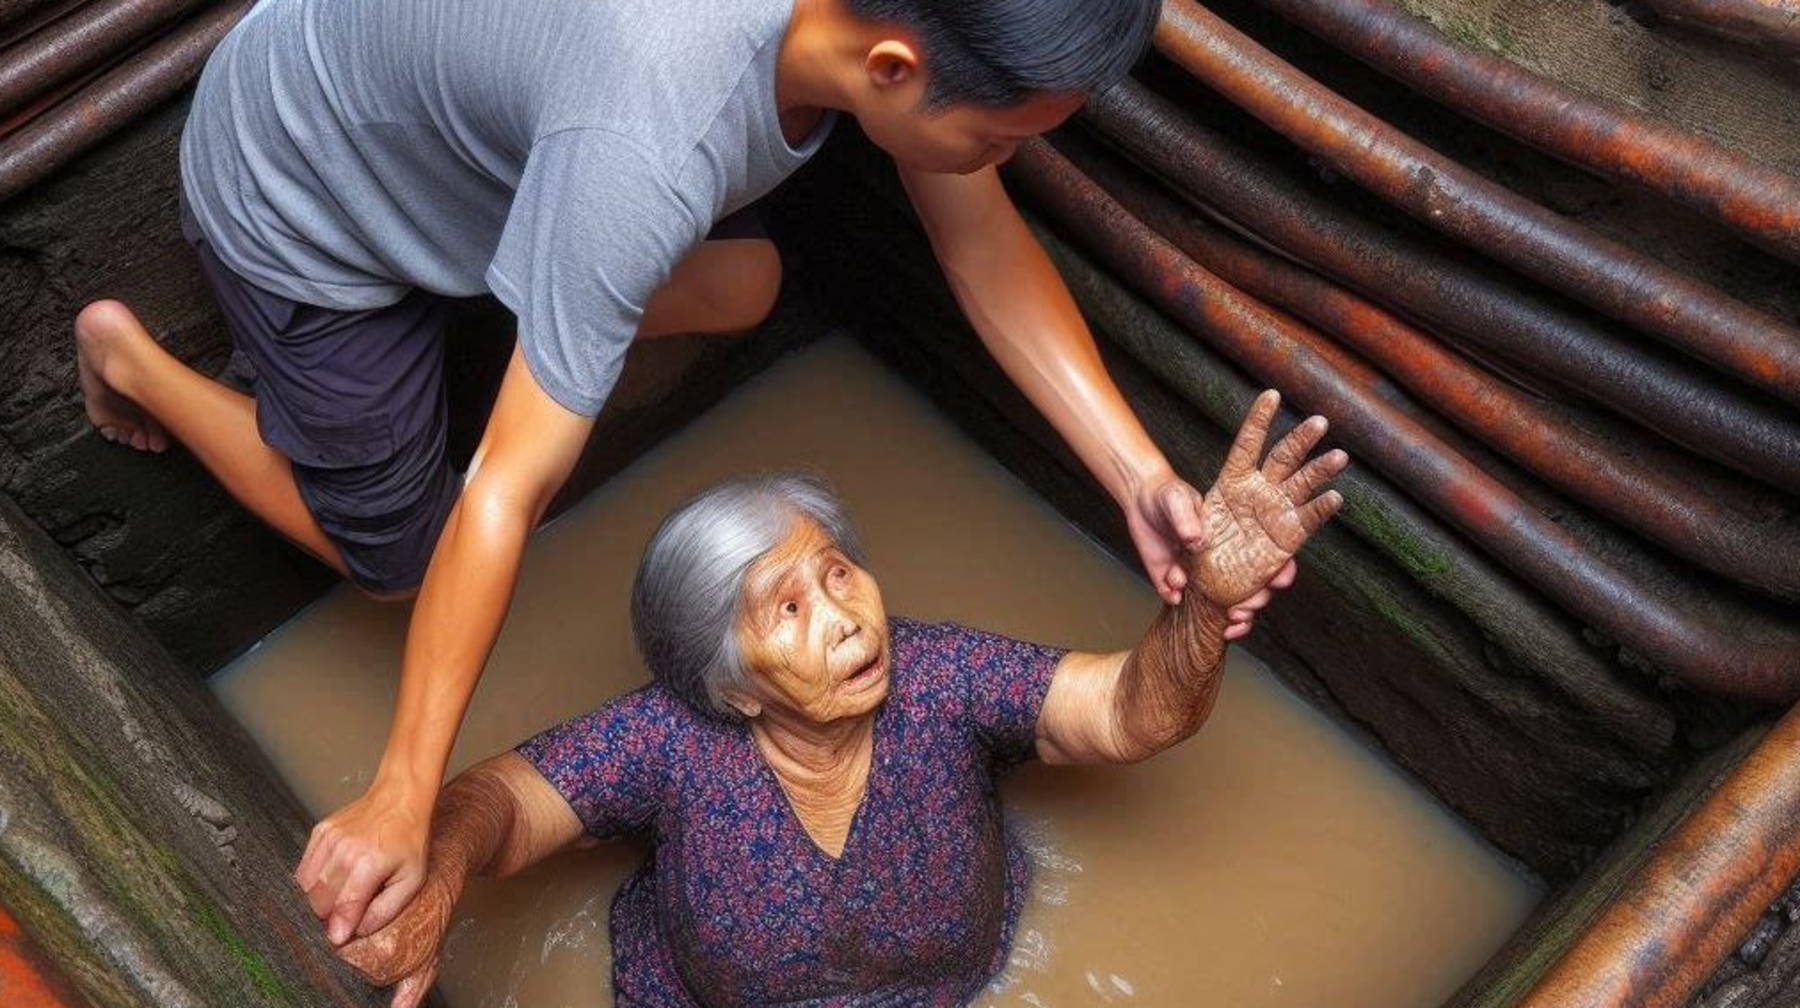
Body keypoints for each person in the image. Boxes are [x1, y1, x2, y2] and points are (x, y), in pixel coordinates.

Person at [68, 0, 1238, 950]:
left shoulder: (934, 689)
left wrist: (1138, 473)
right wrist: (403, 793)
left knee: (747, 287)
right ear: (893, 66)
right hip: (312, 187)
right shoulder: (646, 146)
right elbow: (503, 496)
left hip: (499, 166)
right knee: (399, 563)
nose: (1000, 164)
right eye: (996, 140)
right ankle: (133, 359)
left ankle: (545, 311)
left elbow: (977, 236)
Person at [332, 391, 1347, 1007]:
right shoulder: (666, 743)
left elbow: (1134, 712)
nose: (849, 619)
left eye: (840, 574)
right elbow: (496, 805)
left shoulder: (943, 681)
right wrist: (440, 876)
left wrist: (1204, 612)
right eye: (788, 609)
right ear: (723, 683)